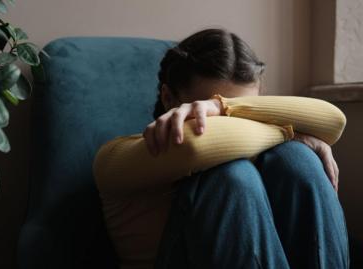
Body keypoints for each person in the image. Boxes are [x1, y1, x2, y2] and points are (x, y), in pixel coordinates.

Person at [92, 28, 349, 269]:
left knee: (296, 159)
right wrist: (288, 131)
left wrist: (221, 108)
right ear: (169, 98)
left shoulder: (264, 152)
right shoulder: (117, 157)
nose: (231, 123)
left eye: (244, 112)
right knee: (231, 174)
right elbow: (196, 148)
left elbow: (334, 119)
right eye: (206, 109)